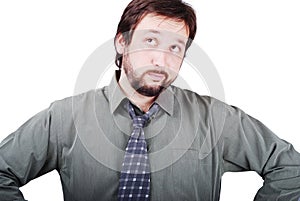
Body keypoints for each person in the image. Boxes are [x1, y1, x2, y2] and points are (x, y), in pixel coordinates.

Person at [0, 0, 300, 200]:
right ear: (122, 42)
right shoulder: (65, 117)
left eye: (175, 47)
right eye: (150, 41)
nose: (161, 59)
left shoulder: (215, 118)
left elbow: (291, 169)